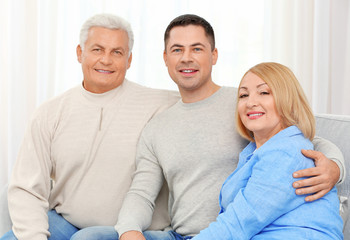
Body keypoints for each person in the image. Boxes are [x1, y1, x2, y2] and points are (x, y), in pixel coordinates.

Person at [115, 14, 345, 240]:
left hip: (236, 231)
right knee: (94, 236)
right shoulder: (159, 127)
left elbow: (304, 139)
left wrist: (335, 167)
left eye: (197, 48)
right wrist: (128, 230)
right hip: (184, 234)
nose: (186, 58)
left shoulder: (248, 105)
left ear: (214, 55)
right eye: (177, 50)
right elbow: (141, 192)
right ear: (165, 58)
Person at [0, 14, 179, 240]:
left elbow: (206, 99)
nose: (106, 60)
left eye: (117, 52)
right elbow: (27, 188)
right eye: (97, 50)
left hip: (129, 230)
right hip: (66, 222)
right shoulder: (50, 113)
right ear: (79, 53)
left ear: (129, 60)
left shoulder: (161, 105)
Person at [191, 62, 343, 239]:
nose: (250, 102)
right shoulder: (254, 152)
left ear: (288, 100)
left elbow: (238, 224)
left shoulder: (286, 153)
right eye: (243, 95)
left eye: (264, 92)